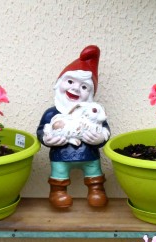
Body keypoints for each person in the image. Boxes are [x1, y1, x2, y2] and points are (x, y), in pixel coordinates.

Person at [36, 45, 111, 209]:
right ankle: (58, 192)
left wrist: (100, 138)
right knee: (59, 172)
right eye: (70, 81)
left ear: (90, 94)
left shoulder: (94, 112)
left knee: (93, 170)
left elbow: (105, 129)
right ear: (59, 83)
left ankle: (96, 190)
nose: (75, 88)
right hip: (60, 154)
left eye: (84, 87)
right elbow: (41, 130)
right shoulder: (52, 113)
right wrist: (47, 138)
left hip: (88, 153)